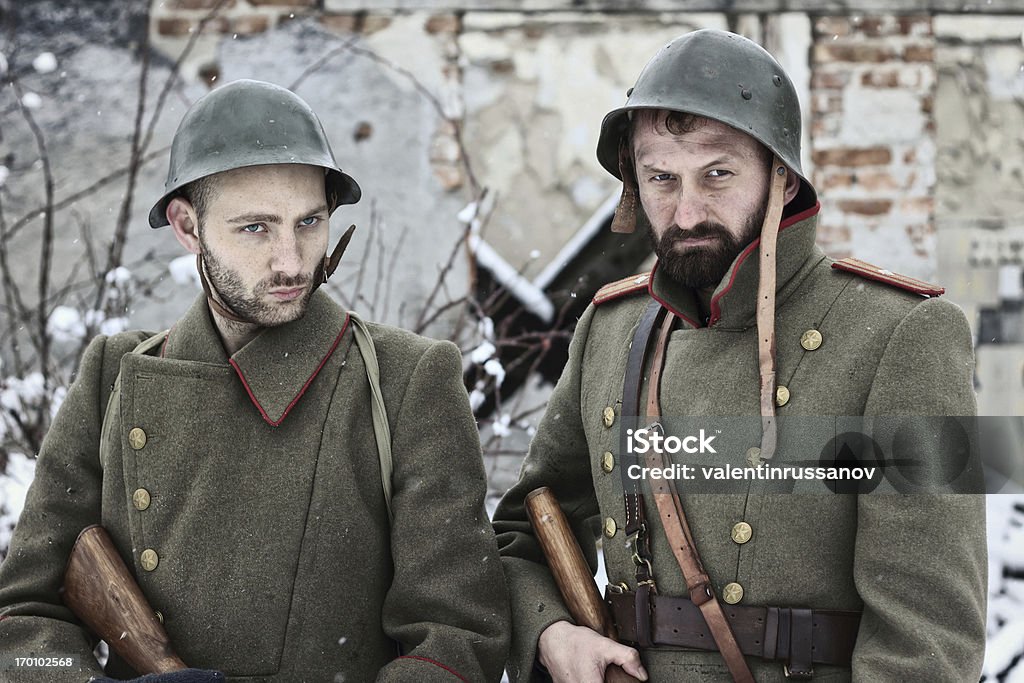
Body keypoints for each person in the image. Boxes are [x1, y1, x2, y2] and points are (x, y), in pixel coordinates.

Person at [493, 29, 986, 682]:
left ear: (780, 177)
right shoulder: (611, 330)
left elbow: (929, 639)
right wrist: (554, 633)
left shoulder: (905, 334)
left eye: (717, 174)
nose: (688, 209)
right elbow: (523, 533)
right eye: (661, 178)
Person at [0, 79, 510, 682]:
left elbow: (458, 636)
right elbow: (23, 623)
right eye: (256, 228)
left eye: (309, 222)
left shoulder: (404, 381)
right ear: (188, 227)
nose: (292, 261)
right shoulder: (112, 376)